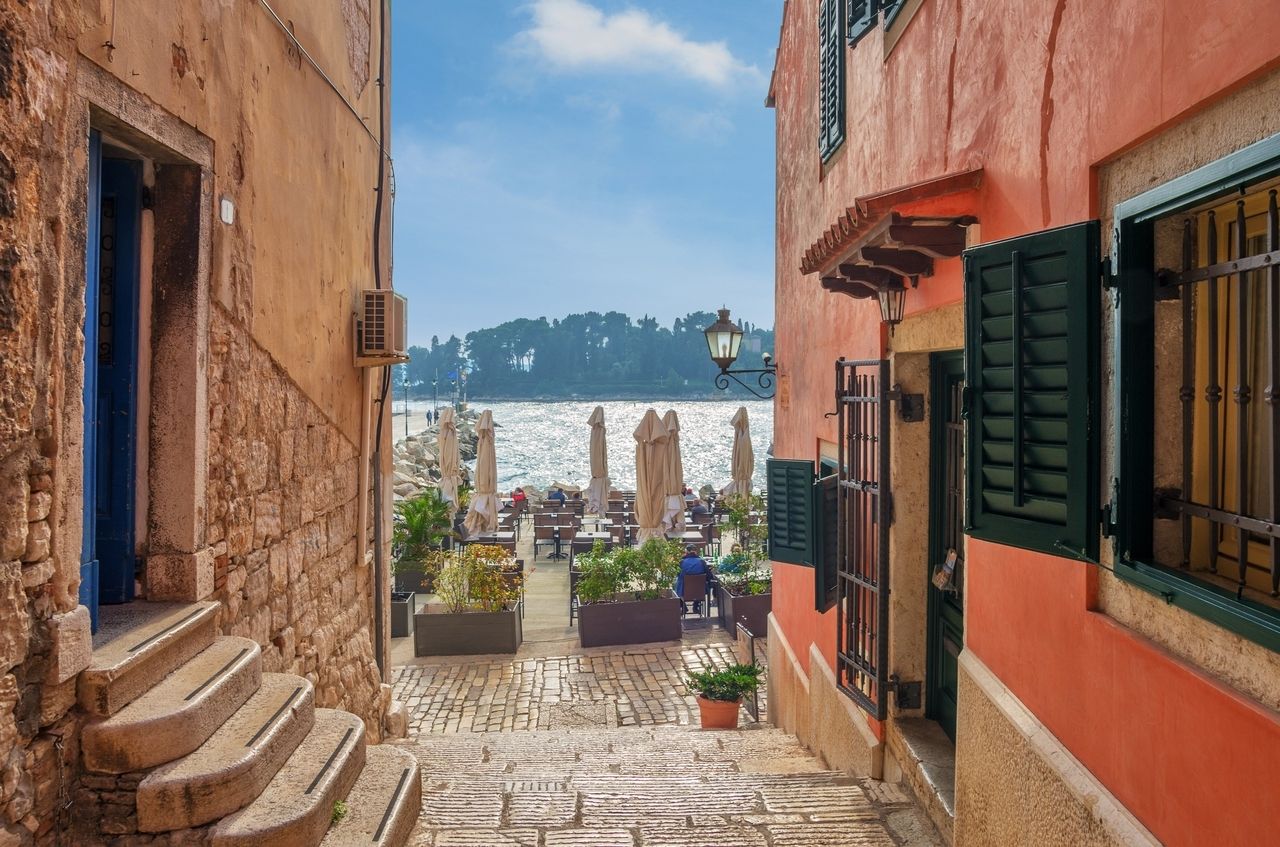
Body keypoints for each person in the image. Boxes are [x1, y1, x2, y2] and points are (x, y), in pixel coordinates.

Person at [676, 545, 710, 613]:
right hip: (700, 592)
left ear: (686, 552)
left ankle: (683, 606)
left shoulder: (682, 562)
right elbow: (709, 576)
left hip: (684, 591)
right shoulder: (701, 562)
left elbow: (677, 574)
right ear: (696, 552)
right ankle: (696, 606)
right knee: (700, 584)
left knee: (676, 585)